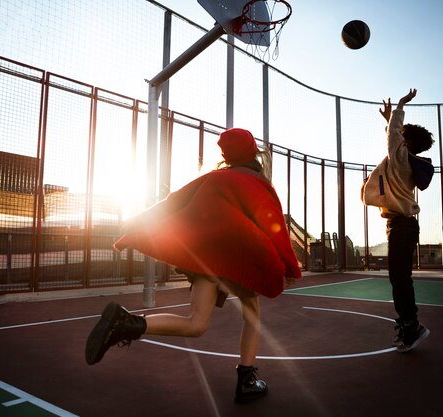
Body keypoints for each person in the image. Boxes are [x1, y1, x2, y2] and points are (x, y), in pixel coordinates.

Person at [85, 127, 302, 404]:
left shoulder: (211, 179)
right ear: (253, 152)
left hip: (206, 260)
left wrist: (134, 229)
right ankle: (246, 381)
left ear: (225, 155)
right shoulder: (259, 185)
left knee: (196, 323)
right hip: (238, 259)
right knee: (252, 317)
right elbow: (276, 230)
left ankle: (127, 324)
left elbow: (170, 203)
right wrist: (291, 268)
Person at [361, 88, 435, 352]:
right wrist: (389, 120)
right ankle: (409, 324)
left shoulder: (401, 158)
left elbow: (394, 137)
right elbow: (393, 136)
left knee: (400, 278)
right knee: (400, 277)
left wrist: (401, 106)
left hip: (401, 226)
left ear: (405, 142)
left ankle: (411, 326)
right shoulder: (405, 161)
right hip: (403, 225)